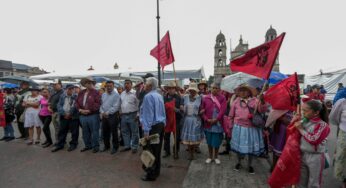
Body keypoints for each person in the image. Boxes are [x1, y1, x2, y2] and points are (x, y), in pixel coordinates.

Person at [230, 84, 267, 174]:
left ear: (249, 92)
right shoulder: (236, 101)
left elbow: (262, 110)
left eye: (245, 90)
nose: (242, 92)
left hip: (252, 128)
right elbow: (231, 115)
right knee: (239, 148)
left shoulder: (255, 101)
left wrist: (262, 101)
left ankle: (250, 165)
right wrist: (230, 127)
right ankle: (239, 162)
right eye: (241, 90)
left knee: (251, 149)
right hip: (239, 128)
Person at [294, 100, 330, 188]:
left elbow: (314, 139)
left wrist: (301, 129)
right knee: (301, 182)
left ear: (316, 113)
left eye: (305, 111)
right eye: (303, 110)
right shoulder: (305, 121)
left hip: (316, 157)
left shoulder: (323, 125)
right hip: (303, 154)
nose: (303, 113)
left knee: (314, 183)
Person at [139, 77, 166, 181]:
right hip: (159, 125)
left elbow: (148, 115)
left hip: (152, 127)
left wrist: (146, 130)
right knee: (157, 150)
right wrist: (164, 123)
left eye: (145, 84)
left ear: (150, 86)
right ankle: (156, 171)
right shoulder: (159, 95)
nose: (144, 85)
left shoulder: (148, 96)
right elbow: (162, 112)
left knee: (149, 150)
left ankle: (150, 174)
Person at [201, 82, 226, 164]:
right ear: (210, 88)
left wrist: (216, 119)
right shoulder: (206, 98)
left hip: (218, 123)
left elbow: (223, 110)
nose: (214, 89)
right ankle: (210, 156)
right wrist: (206, 119)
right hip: (208, 123)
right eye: (213, 88)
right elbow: (202, 110)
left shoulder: (222, 98)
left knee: (217, 141)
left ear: (219, 89)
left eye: (216, 88)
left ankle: (216, 157)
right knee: (209, 141)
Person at [76, 77, 101, 153]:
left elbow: (98, 103)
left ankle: (96, 146)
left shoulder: (96, 92)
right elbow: (76, 102)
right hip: (82, 115)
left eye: (91, 83)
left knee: (95, 131)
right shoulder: (81, 92)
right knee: (85, 131)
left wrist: (89, 110)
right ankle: (87, 145)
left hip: (93, 115)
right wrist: (80, 110)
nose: (89, 84)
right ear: (85, 84)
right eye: (88, 83)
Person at [180, 82, 204, 160]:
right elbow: (182, 106)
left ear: (196, 91)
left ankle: (192, 154)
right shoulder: (185, 97)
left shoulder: (200, 98)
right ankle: (190, 153)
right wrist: (182, 108)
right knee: (188, 139)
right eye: (190, 90)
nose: (192, 92)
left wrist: (202, 111)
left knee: (193, 140)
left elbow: (203, 108)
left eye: (193, 90)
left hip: (196, 120)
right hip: (187, 120)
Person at [329, 92, 346, 188]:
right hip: (344, 133)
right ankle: (343, 180)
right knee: (342, 157)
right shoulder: (342, 102)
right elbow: (333, 117)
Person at [163, 81, 183, 159]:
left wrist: (177, 110)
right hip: (167, 120)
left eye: (173, 88)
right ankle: (167, 151)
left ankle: (176, 151)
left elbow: (182, 110)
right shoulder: (164, 98)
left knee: (177, 137)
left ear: (175, 89)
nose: (171, 90)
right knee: (166, 137)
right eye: (169, 88)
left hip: (176, 119)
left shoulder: (179, 97)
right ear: (167, 89)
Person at [100, 81, 121, 154]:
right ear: (105, 86)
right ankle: (107, 146)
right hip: (104, 116)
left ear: (113, 86)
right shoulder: (103, 95)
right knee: (105, 131)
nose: (108, 87)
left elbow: (116, 106)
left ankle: (115, 147)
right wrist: (102, 112)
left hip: (112, 116)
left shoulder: (116, 95)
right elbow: (101, 105)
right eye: (107, 86)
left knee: (114, 132)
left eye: (110, 86)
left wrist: (107, 112)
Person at [120, 79, 140, 153]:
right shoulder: (122, 93)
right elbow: (121, 104)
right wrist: (120, 112)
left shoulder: (135, 93)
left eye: (128, 83)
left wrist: (138, 114)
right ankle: (127, 146)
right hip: (124, 115)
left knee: (134, 132)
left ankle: (134, 147)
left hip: (133, 114)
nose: (126, 85)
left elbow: (139, 105)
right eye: (125, 83)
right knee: (125, 131)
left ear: (131, 85)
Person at [48, 79, 64, 144]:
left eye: (56, 84)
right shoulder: (54, 93)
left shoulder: (63, 93)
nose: (54, 86)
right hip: (53, 112)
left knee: (60, 128)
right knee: (56, 128)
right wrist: (49, 107)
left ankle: (60, 141)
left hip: (59, 113)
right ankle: (58, 140)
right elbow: (49, 102)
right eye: (53, 85)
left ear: (60, 85)